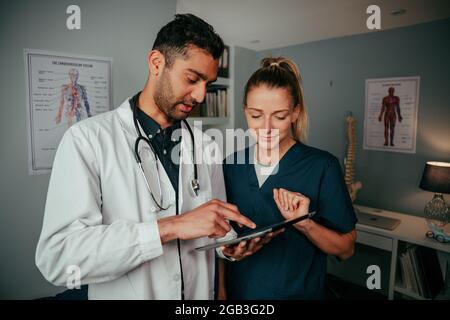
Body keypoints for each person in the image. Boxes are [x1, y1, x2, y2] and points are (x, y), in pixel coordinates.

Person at [36, 14, 256, 300]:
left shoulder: (206, 146)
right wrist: (171, 227)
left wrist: (229, 247)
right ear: (156, 63)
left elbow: (214, 225)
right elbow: (59, 259)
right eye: (192, 79)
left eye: (208, 84)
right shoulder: (87, 140)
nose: (201, 95)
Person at [219, 57, 357, 299]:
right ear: (245, 112)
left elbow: (346, 249)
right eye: (256, 115)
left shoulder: (322, 166)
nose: (266, 127)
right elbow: (219, 236)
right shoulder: (231, 165)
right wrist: (221, 290)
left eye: (280, 116)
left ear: (295, 113)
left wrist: (304, 223)